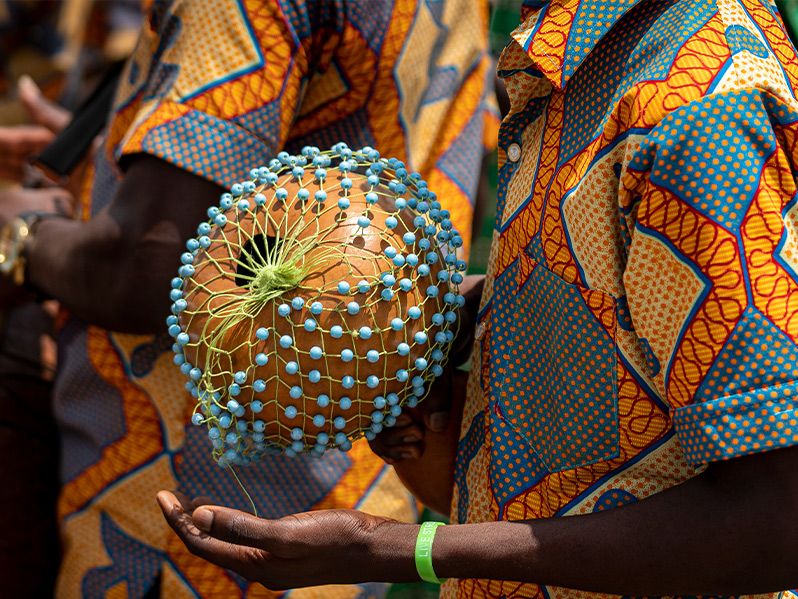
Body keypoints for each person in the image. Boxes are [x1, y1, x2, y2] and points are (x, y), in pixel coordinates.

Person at [158, 0, 798, 597]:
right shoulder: (583, 67)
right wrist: (452, 327)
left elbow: (782, 523)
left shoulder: (690, 112)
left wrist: (400, 546)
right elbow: (627, 334)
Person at [0, 1, 494, 597]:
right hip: (348, 516)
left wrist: (17, 235)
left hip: (183, 532)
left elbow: (147, 267)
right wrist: (114, 169)